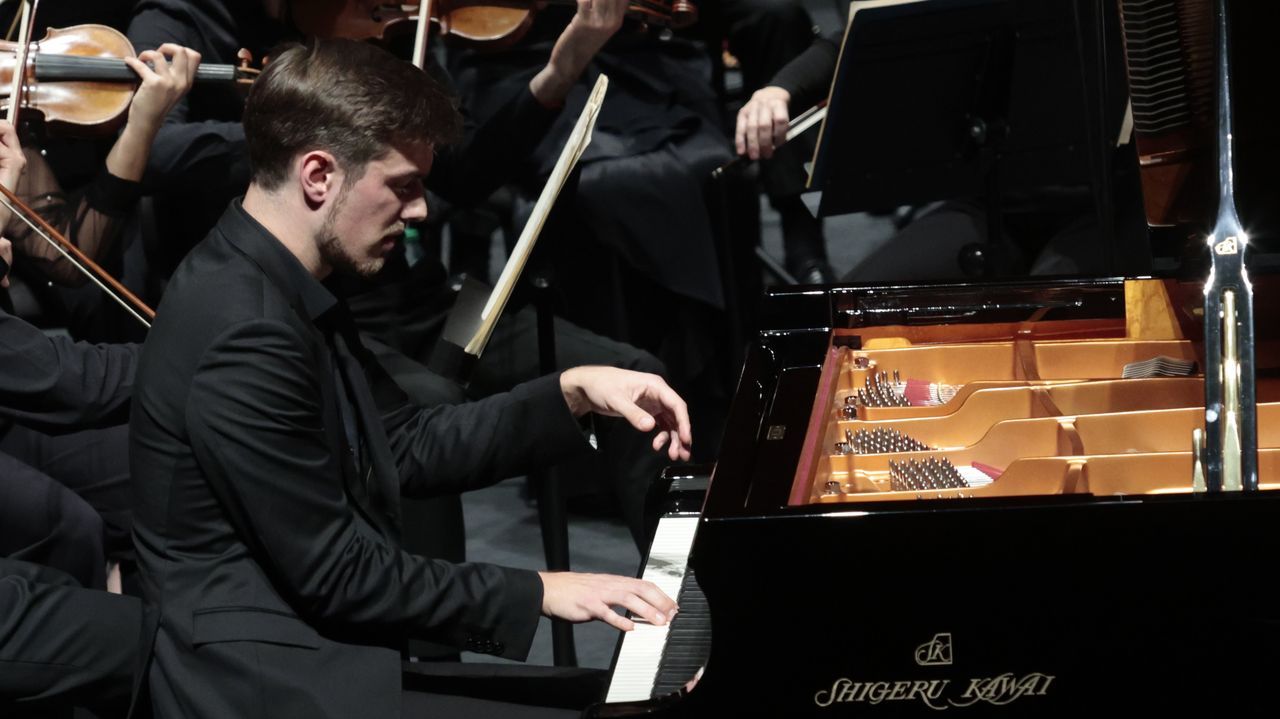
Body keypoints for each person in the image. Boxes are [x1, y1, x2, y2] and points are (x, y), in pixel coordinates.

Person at [130, 38, 689, 719]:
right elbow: (337, 571)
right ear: (317, 175)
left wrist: (570, 391)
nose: (423, 210)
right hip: (269, 682)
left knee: (633, 701)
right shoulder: (245, 325)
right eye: (403, 184)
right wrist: (541, 590)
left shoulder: (277, 282)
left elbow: (402, 440)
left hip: (328, 651)